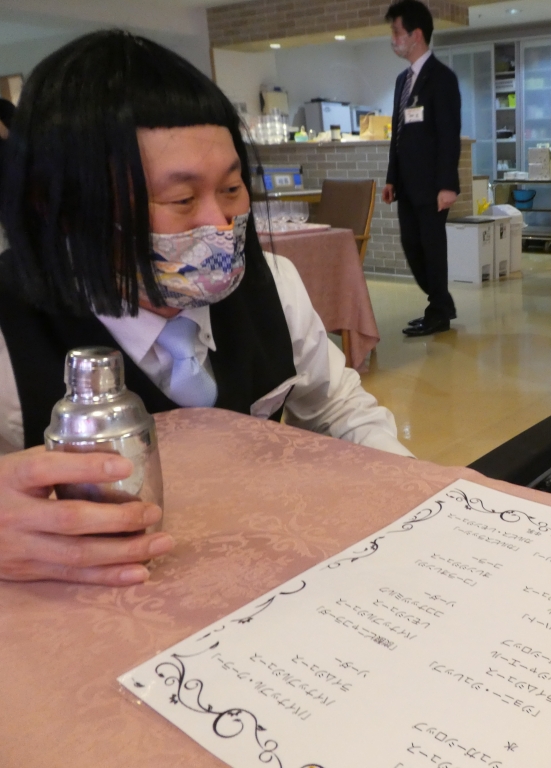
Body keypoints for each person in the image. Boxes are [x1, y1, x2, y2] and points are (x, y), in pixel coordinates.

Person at [0, 30, 413, 587]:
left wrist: (417, 494)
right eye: (181, 199)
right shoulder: (11, 334)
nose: (220, 226)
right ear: (65, 209)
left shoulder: (274, 285)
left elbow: (339, 409)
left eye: (233, 189)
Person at [382, 0, 462, 337]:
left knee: (431, 249)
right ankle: (441, 303)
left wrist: (448, 185)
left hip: (432, 185)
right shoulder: (403, 80)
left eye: (396, 32)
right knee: (412, 246)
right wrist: (391, 178)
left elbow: (449, 134)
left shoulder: (441, 78)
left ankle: (438, 310)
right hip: (406, 185)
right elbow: (398, 133)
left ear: (415, 35)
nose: (393, 39)